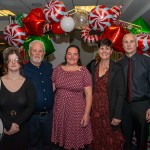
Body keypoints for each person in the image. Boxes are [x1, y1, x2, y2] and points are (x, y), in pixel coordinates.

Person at [51, 45, 93, 150]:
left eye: (75, 54)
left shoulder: (84, 71)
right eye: (69, 54)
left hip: (77, 112)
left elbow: (88, 94)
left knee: (76, 143)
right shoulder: (58, 70)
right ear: (65, 56)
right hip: (60, 111)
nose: (72, 57)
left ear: (78, 56)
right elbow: (51, 89)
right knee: (61, 143)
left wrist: (87, 114)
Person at [89, 38, 125, 150]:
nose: (104, 51)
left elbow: (121, 93)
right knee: (96, 137)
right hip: (94, 110)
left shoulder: (117, 68)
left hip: (110, 109)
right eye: (101, 48)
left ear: (111, 51)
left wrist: (117, 115)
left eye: (107, 48)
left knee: (110, 141)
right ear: (98, 50)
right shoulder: (93, 67)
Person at [119, 33, 150, 150]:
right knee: (125, 141)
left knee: (142, 140)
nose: (129, 44)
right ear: (122, 45)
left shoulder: (147, 62)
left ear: (136, 44)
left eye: (131, 41)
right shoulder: (119, 65)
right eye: (126, 42)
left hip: (142, 106)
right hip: (124, 107)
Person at [0, 47, 35, 150]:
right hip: (2, 128)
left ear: (20, 62)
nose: (13, 63)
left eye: (16, 60)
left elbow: (31, 107)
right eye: (10, 60)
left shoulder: (28, 83)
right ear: (6, 63)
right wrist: (7, 125)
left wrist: (16, 124)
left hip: (22, 129)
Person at [22, 40, 54, 150]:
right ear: (29, 52)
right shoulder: (23, 70)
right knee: (32, 145)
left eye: (40, 51)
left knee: (48, 144)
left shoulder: (49, 67)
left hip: (49, 116)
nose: (37, 53)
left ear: (44, 53)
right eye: (34, 51)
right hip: (31, 117)